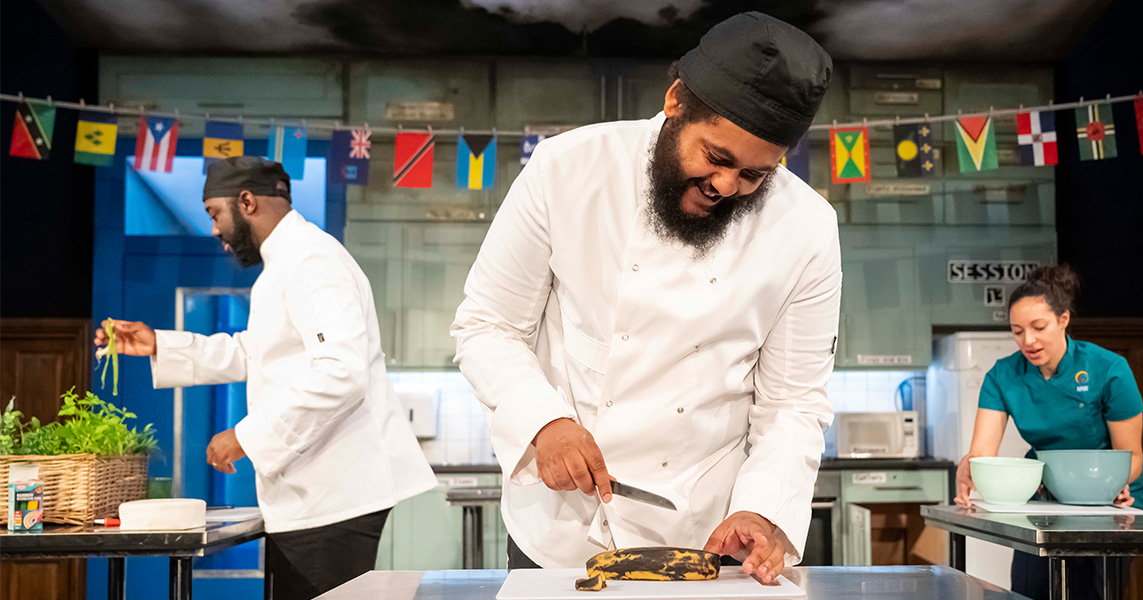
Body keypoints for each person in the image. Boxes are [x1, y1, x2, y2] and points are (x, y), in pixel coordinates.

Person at [450, 12, 839, 584]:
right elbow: (487, 325)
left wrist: (764, 507)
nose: (727, 186)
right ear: (676, 101)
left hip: (707, 536)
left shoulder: (806, 227)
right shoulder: (567, 170)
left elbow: (793, 402)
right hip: (562, 529)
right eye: (716, 158)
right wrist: (544, 422)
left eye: (756, 174)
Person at [95, 156, 437, 600]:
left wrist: (246, 436)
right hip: (314, 495)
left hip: (333, 494)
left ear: (247, 201)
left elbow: (342, 371)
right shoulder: (284, 265)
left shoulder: (312, 260)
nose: (214, 230)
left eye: (215, 214)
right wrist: (160, 344)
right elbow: (253, 351)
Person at [954, 264, 1143, 600]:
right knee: (1030, 590)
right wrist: (970, 465)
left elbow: (1132, 456)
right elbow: (982, 452)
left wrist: (1112, 487)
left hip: (1108, 500)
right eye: (1017, 331)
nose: (1027, 341)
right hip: (1043, 501)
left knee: (1092, 592)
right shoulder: (1002, 376)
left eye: (1039, 327)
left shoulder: (1108, 369)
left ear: (1063, 320)